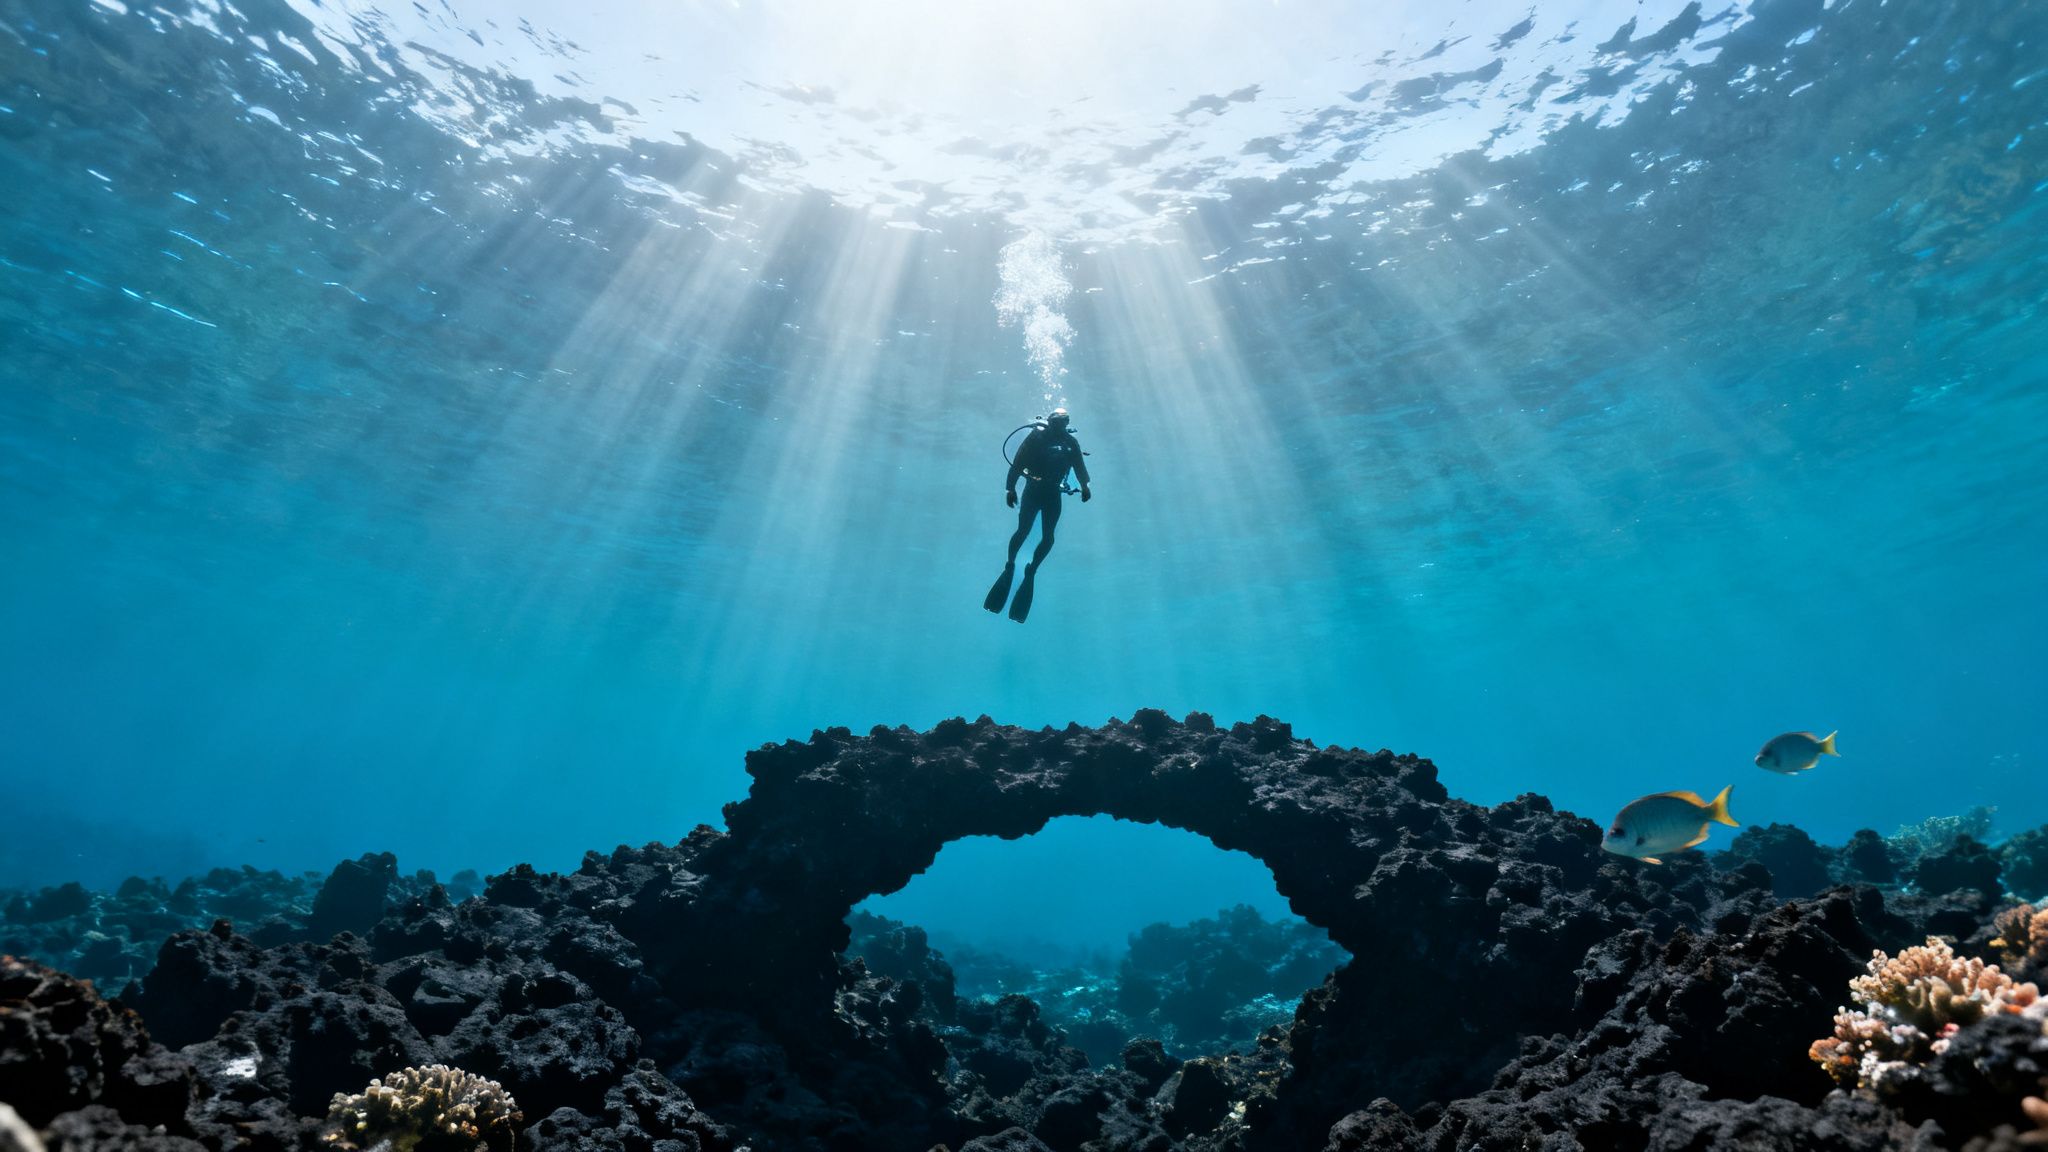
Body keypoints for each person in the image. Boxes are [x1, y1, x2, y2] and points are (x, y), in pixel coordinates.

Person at [985, 408, 1091, 623]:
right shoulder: (1036, 438)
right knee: (1023, 530)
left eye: (1064, 422)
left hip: (1052, 493)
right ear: (1049, 421)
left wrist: (1085, 486)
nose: (1060, 426)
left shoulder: (1071, 443)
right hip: (1033, 490)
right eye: (1057, 421)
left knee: (1049, 536)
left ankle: (1031, 570)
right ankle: (1010, 565)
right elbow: (1017, 464)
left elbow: (1079, 466)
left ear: (1067, 423)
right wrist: (1010, 489)